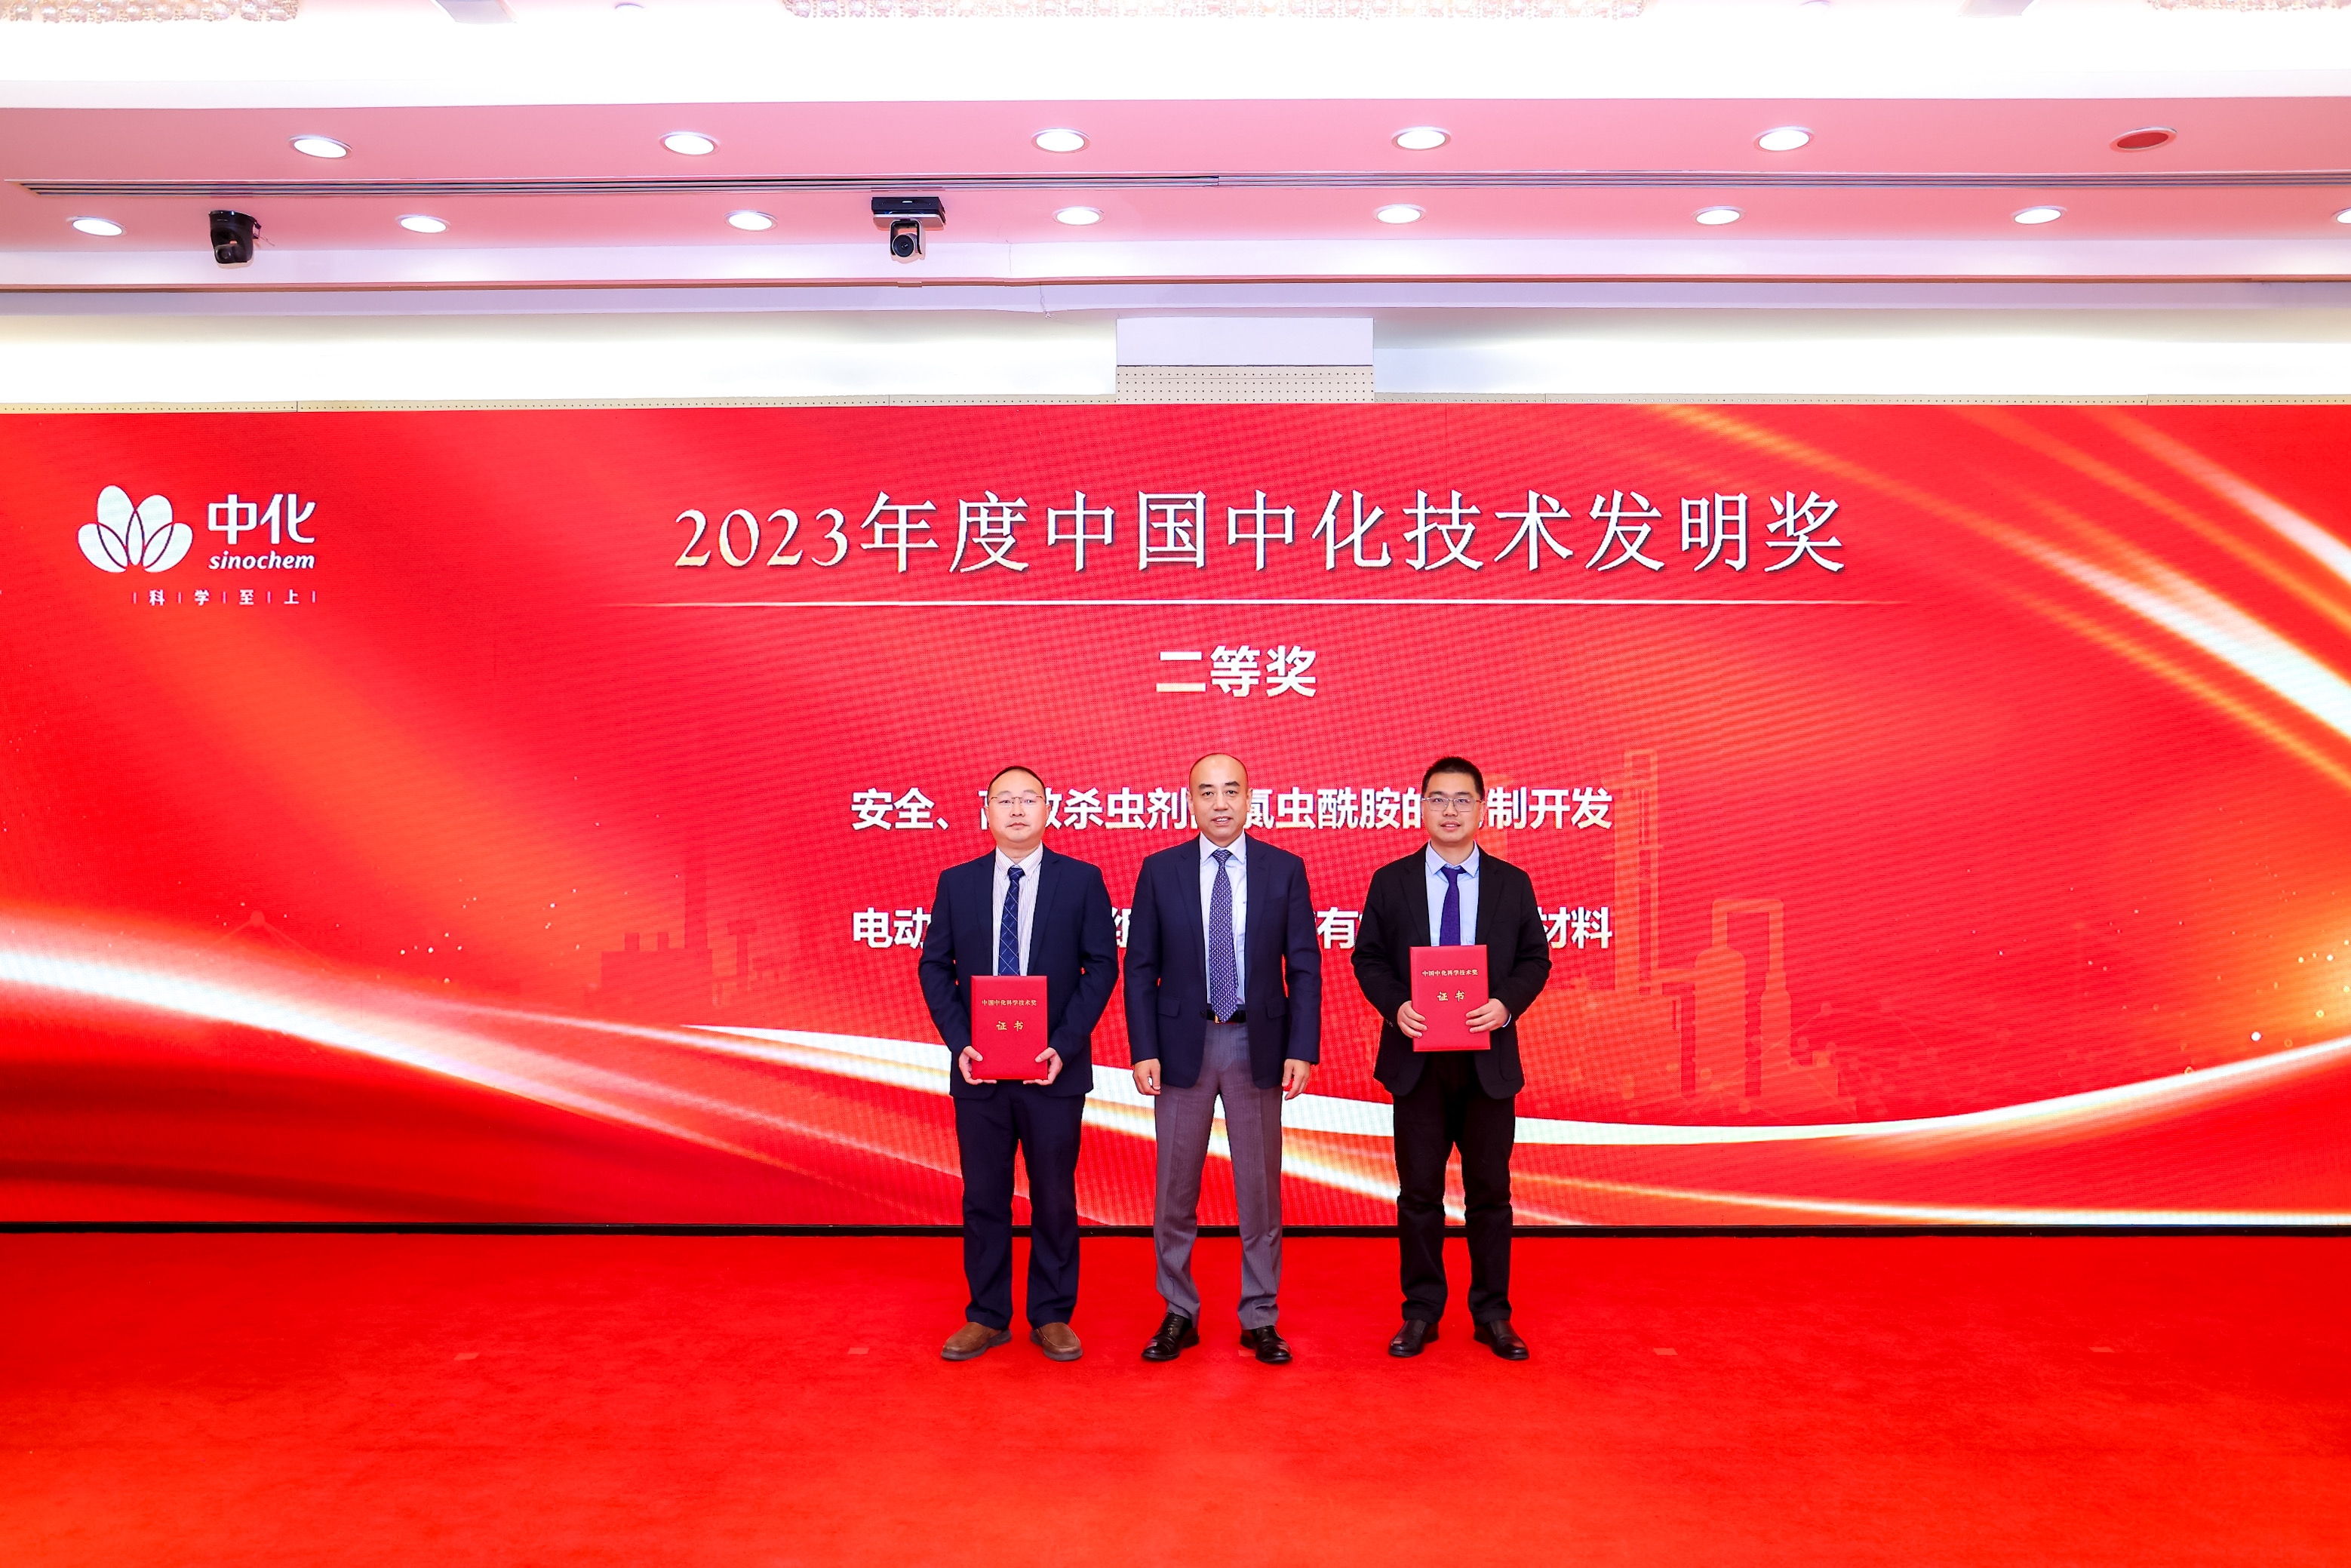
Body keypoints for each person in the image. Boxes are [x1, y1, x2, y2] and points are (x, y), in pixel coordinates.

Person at [1352, 756, 1551, 1361]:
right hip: (1418, 1061)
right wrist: (1396, 1007)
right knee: (1419, 1194)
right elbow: (1368, 959)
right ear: (1421, 808)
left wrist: (1505, 1005)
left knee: (1490, 1193)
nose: (1450, 810)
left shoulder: (1512, 883)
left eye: (1462, 800)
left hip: (1488, 1062)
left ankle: (1493, 1314)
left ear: (1482, 810)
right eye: (1438, 799)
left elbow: (1535, 960)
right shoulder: (1392, 882)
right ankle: (1421, 1312)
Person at [1124, 752, 1320, 1365]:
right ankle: (1178, 1310)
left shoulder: (1284, 869)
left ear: (1249, 798)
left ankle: (1259, 1314)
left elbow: (1304, 967)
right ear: (1190, 802)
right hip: (1181, 1046)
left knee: (1259, 1191)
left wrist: (1301, 1049)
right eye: (1207, 792)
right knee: (1174, 1190)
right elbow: (1140, 968)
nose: (1220, 803)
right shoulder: (1161, 870)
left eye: (1231, 790)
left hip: (1256, 1044)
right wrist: (1144, 1050)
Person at [918, 765, 1119, 1363]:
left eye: (1027, 799)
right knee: (984, 1195)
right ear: (986, 812)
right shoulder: (957, 883)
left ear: (1048, 811)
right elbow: (935, 967)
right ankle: (986, 1315)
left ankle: (1052, 1313)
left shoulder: (1081, 881)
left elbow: (1101, 966)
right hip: (979, 1069)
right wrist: (960, 1042)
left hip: (1053, 1068)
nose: (1015, 810)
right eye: (1003, 800)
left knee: (1054, 1196)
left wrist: (1064, 1043)